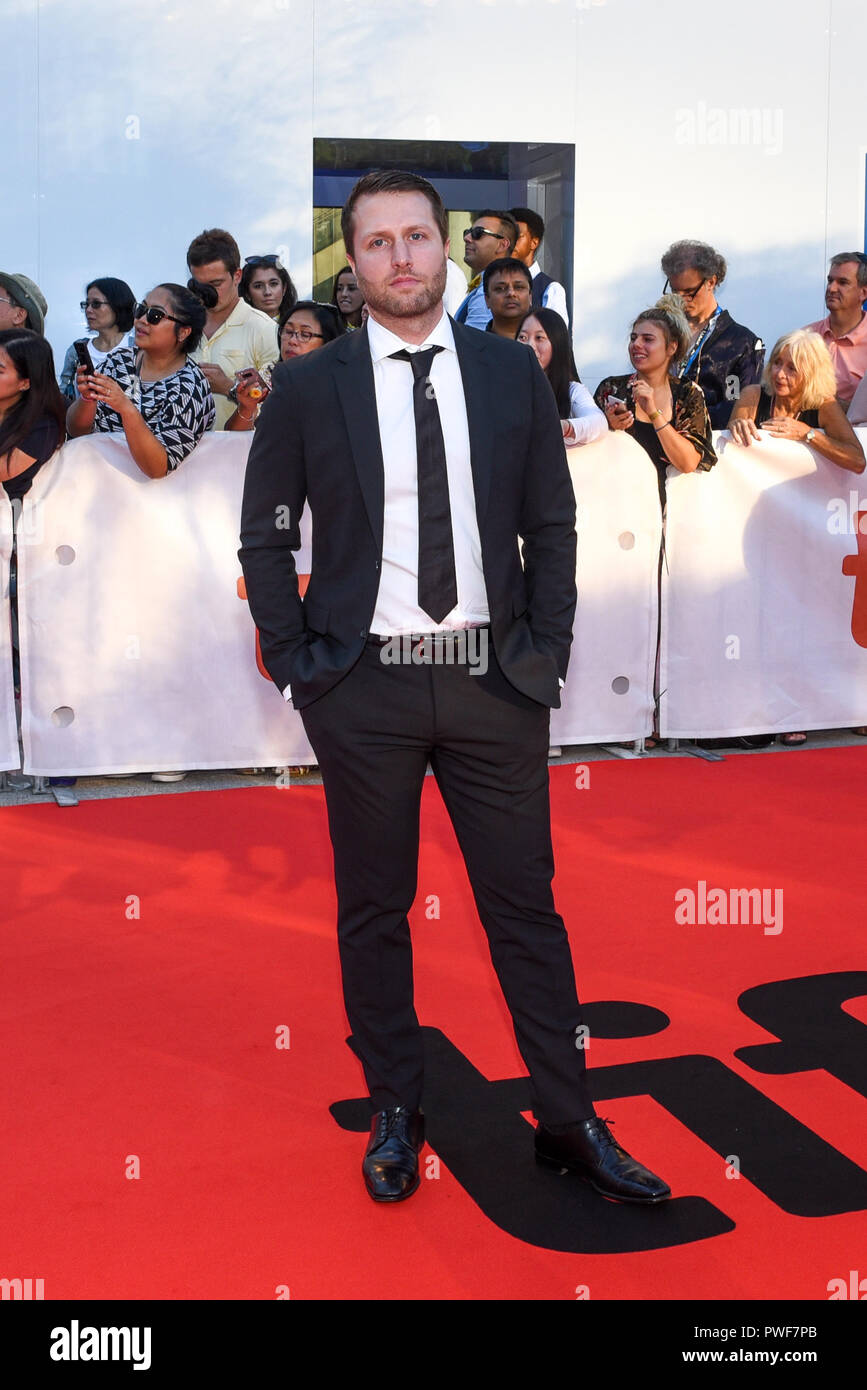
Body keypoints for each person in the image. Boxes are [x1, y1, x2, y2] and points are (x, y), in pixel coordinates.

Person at [239, 168, 670, 1208]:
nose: (401, 258)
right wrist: (304, 665)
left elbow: (551, 526)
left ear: (446, 248)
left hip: (492, 682)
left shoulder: (510, 372)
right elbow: (266, 533)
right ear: (353, 266)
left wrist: (545, 654)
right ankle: (396, 1109)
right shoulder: (308, 385)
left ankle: (570, 1120)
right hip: (364, 689)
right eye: (377, 241)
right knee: (373, 909)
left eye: (419, 237)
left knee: (526, 908)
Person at [729, 328, 866, 748]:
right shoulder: (755, 392)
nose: (782, 374)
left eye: (793, 367)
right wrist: (738, 425)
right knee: (763, 619)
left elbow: (857, 460)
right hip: (759, 531)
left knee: (804, 621)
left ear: (812, 373)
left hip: (809, 536)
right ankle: (763, 708)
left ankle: (809, 708)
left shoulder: (822, 407)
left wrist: (807, 435)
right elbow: (737, 423)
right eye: (778, 363)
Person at [67, 283, 216, 477]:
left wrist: (126, 409)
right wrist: (88, 399)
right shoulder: (120, 361)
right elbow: (76, 430)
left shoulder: (191, 387)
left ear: (183, 332)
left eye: (155, 316)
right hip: (99, 484)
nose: (142, 320)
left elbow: (158, 467)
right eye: (141, 309)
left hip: (155, 499)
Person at [594, 294, 716, 509]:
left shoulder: (688, 393)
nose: (636, 345)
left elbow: (688, 462)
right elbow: (587, 449)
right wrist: (607, 426)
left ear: (671, 348)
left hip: (671, 511)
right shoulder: (611, 389)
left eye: (648, 339)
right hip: (617, 506)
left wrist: (653, 413)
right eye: (633, 338)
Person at [660, 240, 764, 428]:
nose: (682, 300)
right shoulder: (661, 329)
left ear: (711, 281)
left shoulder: (743, 342)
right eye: (676, 292)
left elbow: (737, 406)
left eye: (690, 292)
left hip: (709, 445)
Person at [186, 228, 279, 428]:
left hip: (242, 455)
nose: (207, 292)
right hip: (185, 454)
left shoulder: (264, 329)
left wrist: (229, 387)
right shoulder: (182, 326)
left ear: (237, 276)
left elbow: (280, 407)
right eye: (199, 285)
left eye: (216, 283)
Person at [517, 308, 607, 447]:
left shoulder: (572, 390)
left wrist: (566, 427)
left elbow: (598, 423)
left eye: (539, 338)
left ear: (557, 343)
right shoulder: (505, 387)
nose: (530, 346)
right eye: (522, 337)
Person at [804, 252, 867, 406]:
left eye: (843, 282)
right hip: (802, 428)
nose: (831, 288)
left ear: (863, 293)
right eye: (830, 280)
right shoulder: (805, 337)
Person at [59, 278, 136, 398]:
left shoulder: (136, 349)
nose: (88, 310)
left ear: (118, 306)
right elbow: (63, 395)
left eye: (96, 304)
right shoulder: (77, 351)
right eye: (86, 304)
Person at [454, 211, 518, 330]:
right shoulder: (489, 284)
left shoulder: (495, 289)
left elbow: (474, 342)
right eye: (467, 232)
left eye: (478, 233)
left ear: (502, 245)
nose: (467, 238)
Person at [509, 207, 569, 326]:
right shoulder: (493, 283)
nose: (509, 241)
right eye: (506, 236)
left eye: (517, 236)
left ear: (534, 243)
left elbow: (554, 339)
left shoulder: (551, 289)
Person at [482, 258, 532, 339]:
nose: (511, 293)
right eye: (500, 288)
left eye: (518, 287)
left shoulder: (544, 347)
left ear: (530, 297)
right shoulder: (472, 349)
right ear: (487, 299)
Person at [239, 255, 296, 323]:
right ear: (247, 293)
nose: (267, 292)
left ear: (284, 288)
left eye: (273, 284)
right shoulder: (236, 328)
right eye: (258, 286)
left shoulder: (298, 324)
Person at [331, 265, 365, 330]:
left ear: (365, 292)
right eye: (339, 289)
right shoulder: (326, 327)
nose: (344, 294)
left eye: (351, 289)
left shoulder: (374, 328)